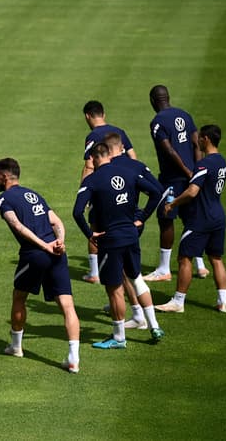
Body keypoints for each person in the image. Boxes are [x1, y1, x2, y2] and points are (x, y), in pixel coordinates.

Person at [73, 142, 165, 349]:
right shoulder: (128, 172)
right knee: (137, 278)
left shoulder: (93, 180)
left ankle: (119, 337)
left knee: (114, 289)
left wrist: (90, 234)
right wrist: (142, 217)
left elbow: (77, 212)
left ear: (96, 158)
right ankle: (154, 326)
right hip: (131, 235)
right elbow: (156, 192)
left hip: (110, 240)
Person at [0, 158, 81, 373]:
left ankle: (16, 346)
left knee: (19, 296)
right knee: (67, 306)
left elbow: (16, 224)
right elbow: (57, 222)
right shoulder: (34, 195)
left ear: (5, 177)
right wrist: (59, 242)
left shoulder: (3, 198)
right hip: (57, 253)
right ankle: (74, 358)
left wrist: (44, 246)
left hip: (35, 254)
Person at [156, 124, 226, 313]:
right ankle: (223, 302)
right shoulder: (222, 162)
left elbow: (192, 191)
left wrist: (172, 204)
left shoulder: (204, 164)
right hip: (218, 216)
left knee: (184, 257)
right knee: (216, 258)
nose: (195, 141)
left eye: (199, 138)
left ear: (206, 139)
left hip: (201, 219)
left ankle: (178, 302)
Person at [144, 85, 209, 281]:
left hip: (173, 180)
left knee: (166, 217)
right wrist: (196, 171)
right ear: (168, 98)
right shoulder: (185, 115)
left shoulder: (157, 122)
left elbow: (169, 151)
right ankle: (200, 265)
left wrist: (188, 172)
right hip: (191, 180)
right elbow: (196, 143)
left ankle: (164, 269)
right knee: (192, 219)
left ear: (153, 101)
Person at [102, 133, 165, 330]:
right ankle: (139, 313)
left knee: (124, 272)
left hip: (117, 226)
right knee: (130, 271)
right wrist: (142, 216)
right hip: (134, 222)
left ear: (106, 149)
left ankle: (136, 313)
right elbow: (158, 190)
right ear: (121, 147)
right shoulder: (136, 165)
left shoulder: (107, 168)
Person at [79, 100, 137, 284]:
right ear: (103, 114)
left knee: (95, 226)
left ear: (88, 116)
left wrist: (84, 193)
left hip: (102, 186)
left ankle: (95, 272)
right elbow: (133, 157)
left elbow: (89, 165)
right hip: (123, 186)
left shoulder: (93, 136)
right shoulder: (119, 132)